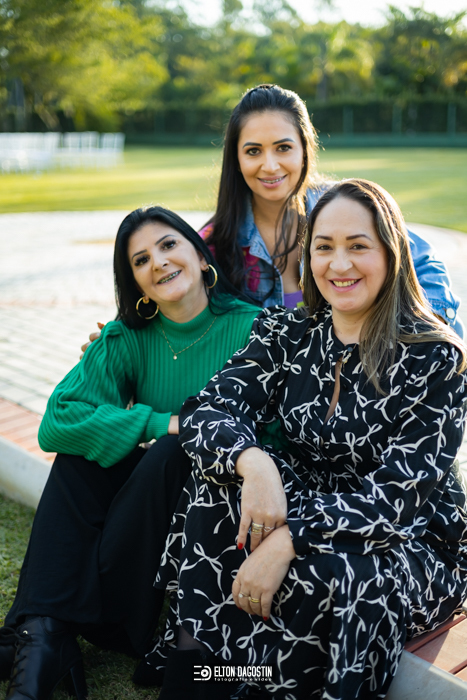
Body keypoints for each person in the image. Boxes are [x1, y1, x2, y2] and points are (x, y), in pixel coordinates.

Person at [151, 179, 467, 700]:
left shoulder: (435, 359)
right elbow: (209, 410)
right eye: (324, 247)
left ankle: (274, 686)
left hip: (404, 542)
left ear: (391, 252)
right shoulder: (290, 333)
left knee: (340, 569)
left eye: (358, 246)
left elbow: (395, 501)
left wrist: (291, 537)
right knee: (217, 484)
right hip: (306, 500)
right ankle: (197, 673)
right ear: (308, 257)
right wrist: (254, 463)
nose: (339, 264)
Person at [0, 206, 261, 699]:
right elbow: (58, 421)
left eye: (168, 245)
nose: (158, 262)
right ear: (136, 283)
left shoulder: (254, 328)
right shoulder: (126, 337)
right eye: (141, 260)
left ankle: (39, 631)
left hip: (212, 517)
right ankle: (44, 635)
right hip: (143, 519)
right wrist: (161, 421)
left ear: (200, 255)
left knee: (170, 453)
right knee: (81, 457)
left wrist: (179, 435)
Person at [199, 83, 463, 335]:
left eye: (283, 148)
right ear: (236, 158)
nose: (270, 166)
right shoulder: (213, 244)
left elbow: (423, 262)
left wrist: (422, 336)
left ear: (305, 150)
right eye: (253, 151)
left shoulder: (345, 204)